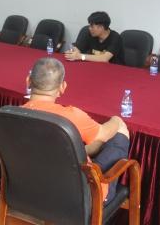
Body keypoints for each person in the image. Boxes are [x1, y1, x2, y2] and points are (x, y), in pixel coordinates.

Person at [23, 57, 130, 203]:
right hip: (80, 198)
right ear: (62, 87)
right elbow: (104, 134)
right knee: (119, 133)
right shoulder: (69, 116)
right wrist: (117, 120)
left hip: (30, 189)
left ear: (28, 81)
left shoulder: (10, 115)